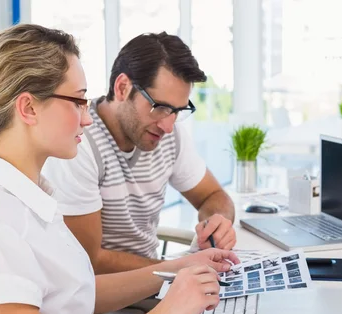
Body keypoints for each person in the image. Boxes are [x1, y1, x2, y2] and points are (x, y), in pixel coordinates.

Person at [0, 24, 238, 314]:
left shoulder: (29, 196)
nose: (86, 118)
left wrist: (178, 268)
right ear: (28, 107)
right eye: (78, 101)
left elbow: (74, 294)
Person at [42, 32, 237, 275]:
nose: (168, 125)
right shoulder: (78, 141)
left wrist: (217, 222)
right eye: (160, 107)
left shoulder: (169, 134)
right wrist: (176, 270)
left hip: (155, 284)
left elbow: (214, 195)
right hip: (107, 300)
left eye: (177, 110)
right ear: (122, 87)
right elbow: (89, 261)